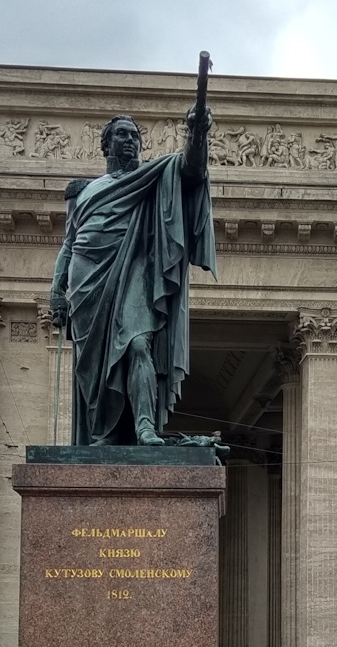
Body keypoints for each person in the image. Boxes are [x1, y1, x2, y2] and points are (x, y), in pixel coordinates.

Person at [50, 101, 215, 445]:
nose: (131, 141)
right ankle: (104, 433)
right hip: (86, 281)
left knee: (139, 344)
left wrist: (197, 132)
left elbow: (192, 167)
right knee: (93, 366)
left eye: (135, 136)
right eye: (122, 135)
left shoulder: (151, 178)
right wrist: (56, 289)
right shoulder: (82, 191)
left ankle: (144, 427)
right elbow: (68, 243)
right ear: (106, 144)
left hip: (133, 270)